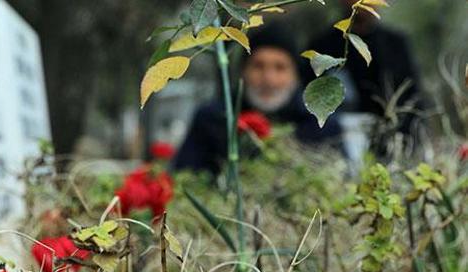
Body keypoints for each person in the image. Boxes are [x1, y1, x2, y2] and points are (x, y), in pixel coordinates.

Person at [174, 23, 341, 174]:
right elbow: (186, 177)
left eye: (280, 68)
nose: (268, 79)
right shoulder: (213, 120)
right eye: (258, 66)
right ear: (243, 71)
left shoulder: (319, 125)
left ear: (295, 76)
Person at [306, 0, 423, 146]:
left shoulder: (396, 44)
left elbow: (413, 98)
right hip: (336, 142)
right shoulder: (322, 46)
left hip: (390, 141)